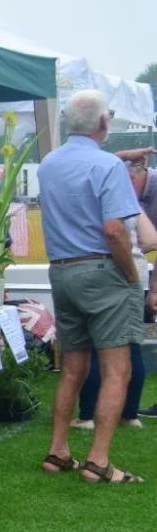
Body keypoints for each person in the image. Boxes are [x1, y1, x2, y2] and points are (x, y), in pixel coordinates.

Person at [37, 91, 156, 484]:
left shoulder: (48, 164)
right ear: (104, 124)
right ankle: (99, 461)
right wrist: (131, 275)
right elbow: (114, 230)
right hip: (103, 270)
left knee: (72, 367)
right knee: (116, 371)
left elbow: (81, 172)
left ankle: (57, 451)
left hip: (62, 271)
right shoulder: (108, 167)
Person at [74, 155, 157, 428]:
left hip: (107, 273)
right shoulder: (132, 204)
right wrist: (134, 253)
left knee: (97, 347)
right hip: (135, 275)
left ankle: (87, 415)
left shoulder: (98, 199)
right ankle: (130, 415)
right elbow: (152, 239)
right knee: (132, 346)